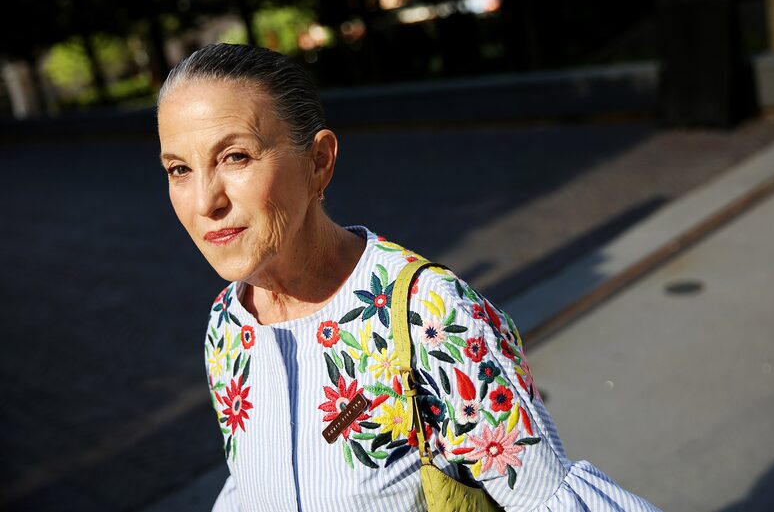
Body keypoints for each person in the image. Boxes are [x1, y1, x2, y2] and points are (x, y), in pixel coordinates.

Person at [157, 43, 659, 511]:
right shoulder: (226, 324)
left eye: (235, 157)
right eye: (179, 169)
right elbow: (250, 484)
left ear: (319, 162)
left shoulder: (430, 315)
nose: (205, 202)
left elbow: (544, 498)